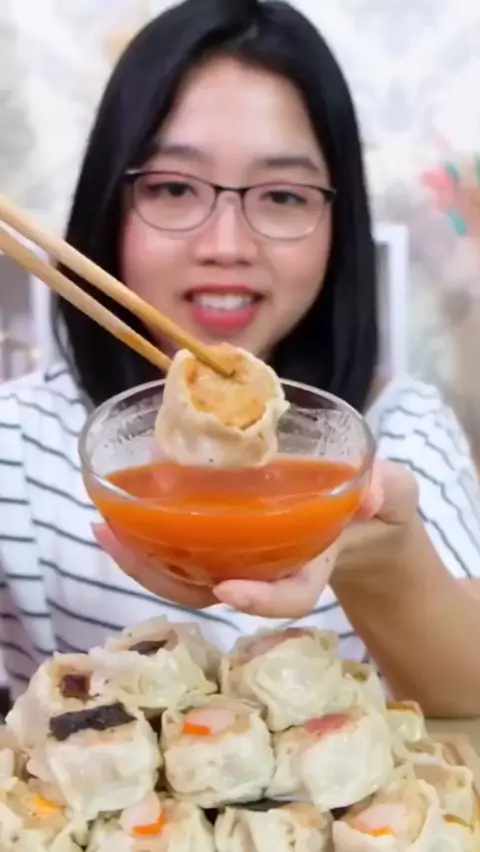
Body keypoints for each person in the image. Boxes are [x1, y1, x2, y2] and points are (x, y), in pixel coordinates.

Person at [1, 0, 480, 716]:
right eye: (172, 187)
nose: (226, 246)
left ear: (338, 224)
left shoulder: (400, 430)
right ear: (108, 202)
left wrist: (387, 560)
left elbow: (470, 709)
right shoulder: (14, 438)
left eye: (282, 195)